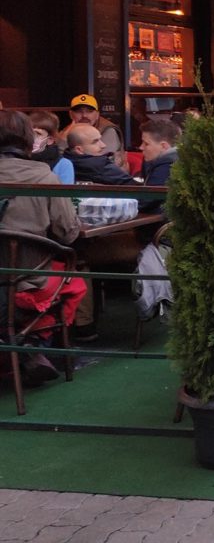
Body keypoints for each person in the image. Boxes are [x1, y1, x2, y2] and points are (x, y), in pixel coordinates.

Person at [0, 110, 84, 387]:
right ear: (28, 138)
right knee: (75, 283)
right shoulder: (45, 177)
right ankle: (34, 344)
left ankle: (20, 346)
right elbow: (68, 233)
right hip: (28, 280)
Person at [64, 94, 127, 172]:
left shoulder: (108, 130)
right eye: (79, 111)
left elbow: (99, 161)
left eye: (89, 111)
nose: (84, 115)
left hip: (110, 178)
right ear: (71, 115)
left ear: (97, 114)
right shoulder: (66, 131)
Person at [63, 125, 137, 187]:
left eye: (100, 139)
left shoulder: (61, 163)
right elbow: (136, 188)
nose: (103, 145)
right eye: (95, 142)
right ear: (79, 149)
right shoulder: (100, 166)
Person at [28, 111, 74, 185]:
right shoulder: (16, 159)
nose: (32, 137)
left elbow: (65, 195)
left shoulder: (63, 164)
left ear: (50, 140)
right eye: (29, 133)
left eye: (38, 134)